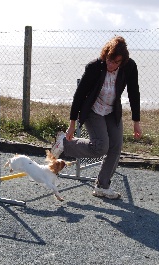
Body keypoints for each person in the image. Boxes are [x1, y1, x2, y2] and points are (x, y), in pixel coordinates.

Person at [51, 35, 142, 199]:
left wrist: (136, 122)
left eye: (115, 62)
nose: (111, 65)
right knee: (101, 147)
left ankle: (102, 186)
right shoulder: (94, 67)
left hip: (112, 111)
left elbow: (134, 93)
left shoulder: (130, 67)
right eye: (109, 60)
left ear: (122, 61)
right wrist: (72, 124)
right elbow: (79, 96)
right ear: (105, 55)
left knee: (116, 146)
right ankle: (64, 142)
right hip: (93, 110)